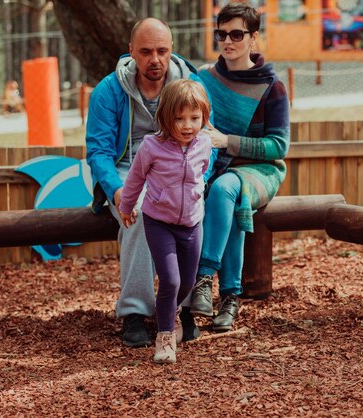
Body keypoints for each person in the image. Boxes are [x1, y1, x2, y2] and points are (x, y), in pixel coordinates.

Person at [86, 18, 206, 347]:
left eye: (162, 51)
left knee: (188, 214)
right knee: (138, 213)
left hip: (175, 167)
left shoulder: (190, 85)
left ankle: (181, 309)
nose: (155, 59)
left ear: (172, 50)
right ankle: (135, 311)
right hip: (126, 169)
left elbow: (204, 140)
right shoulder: (109, 91)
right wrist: (116, 189)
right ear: (131, 52)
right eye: (146, 51)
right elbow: (98, 151)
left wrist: (199, 181)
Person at [190, 2, 290, 331]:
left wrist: (227, 141)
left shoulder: (272, 87)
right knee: (226, 197)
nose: (228, 41)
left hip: (261, 169)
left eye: (236, 34)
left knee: (226, 189)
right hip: (215, 167)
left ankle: (204, 279)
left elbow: (279, 147)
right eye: (222, 34)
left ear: (253, 38)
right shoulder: (205, 79)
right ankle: (230, 298)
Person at [119, 79, 214, 363]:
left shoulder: (204, 144)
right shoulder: (152, 146)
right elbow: (135, 178)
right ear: (164, 118)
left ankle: (169, 314)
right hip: (159, 222)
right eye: (179, 118)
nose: (187, 125)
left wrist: (197, 194)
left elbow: (202, 172)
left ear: (203, 118)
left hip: (192, 223)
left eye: (194, 118)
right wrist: (126, 207)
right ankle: (165, 338)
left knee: (186, 281)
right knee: (170, 280)